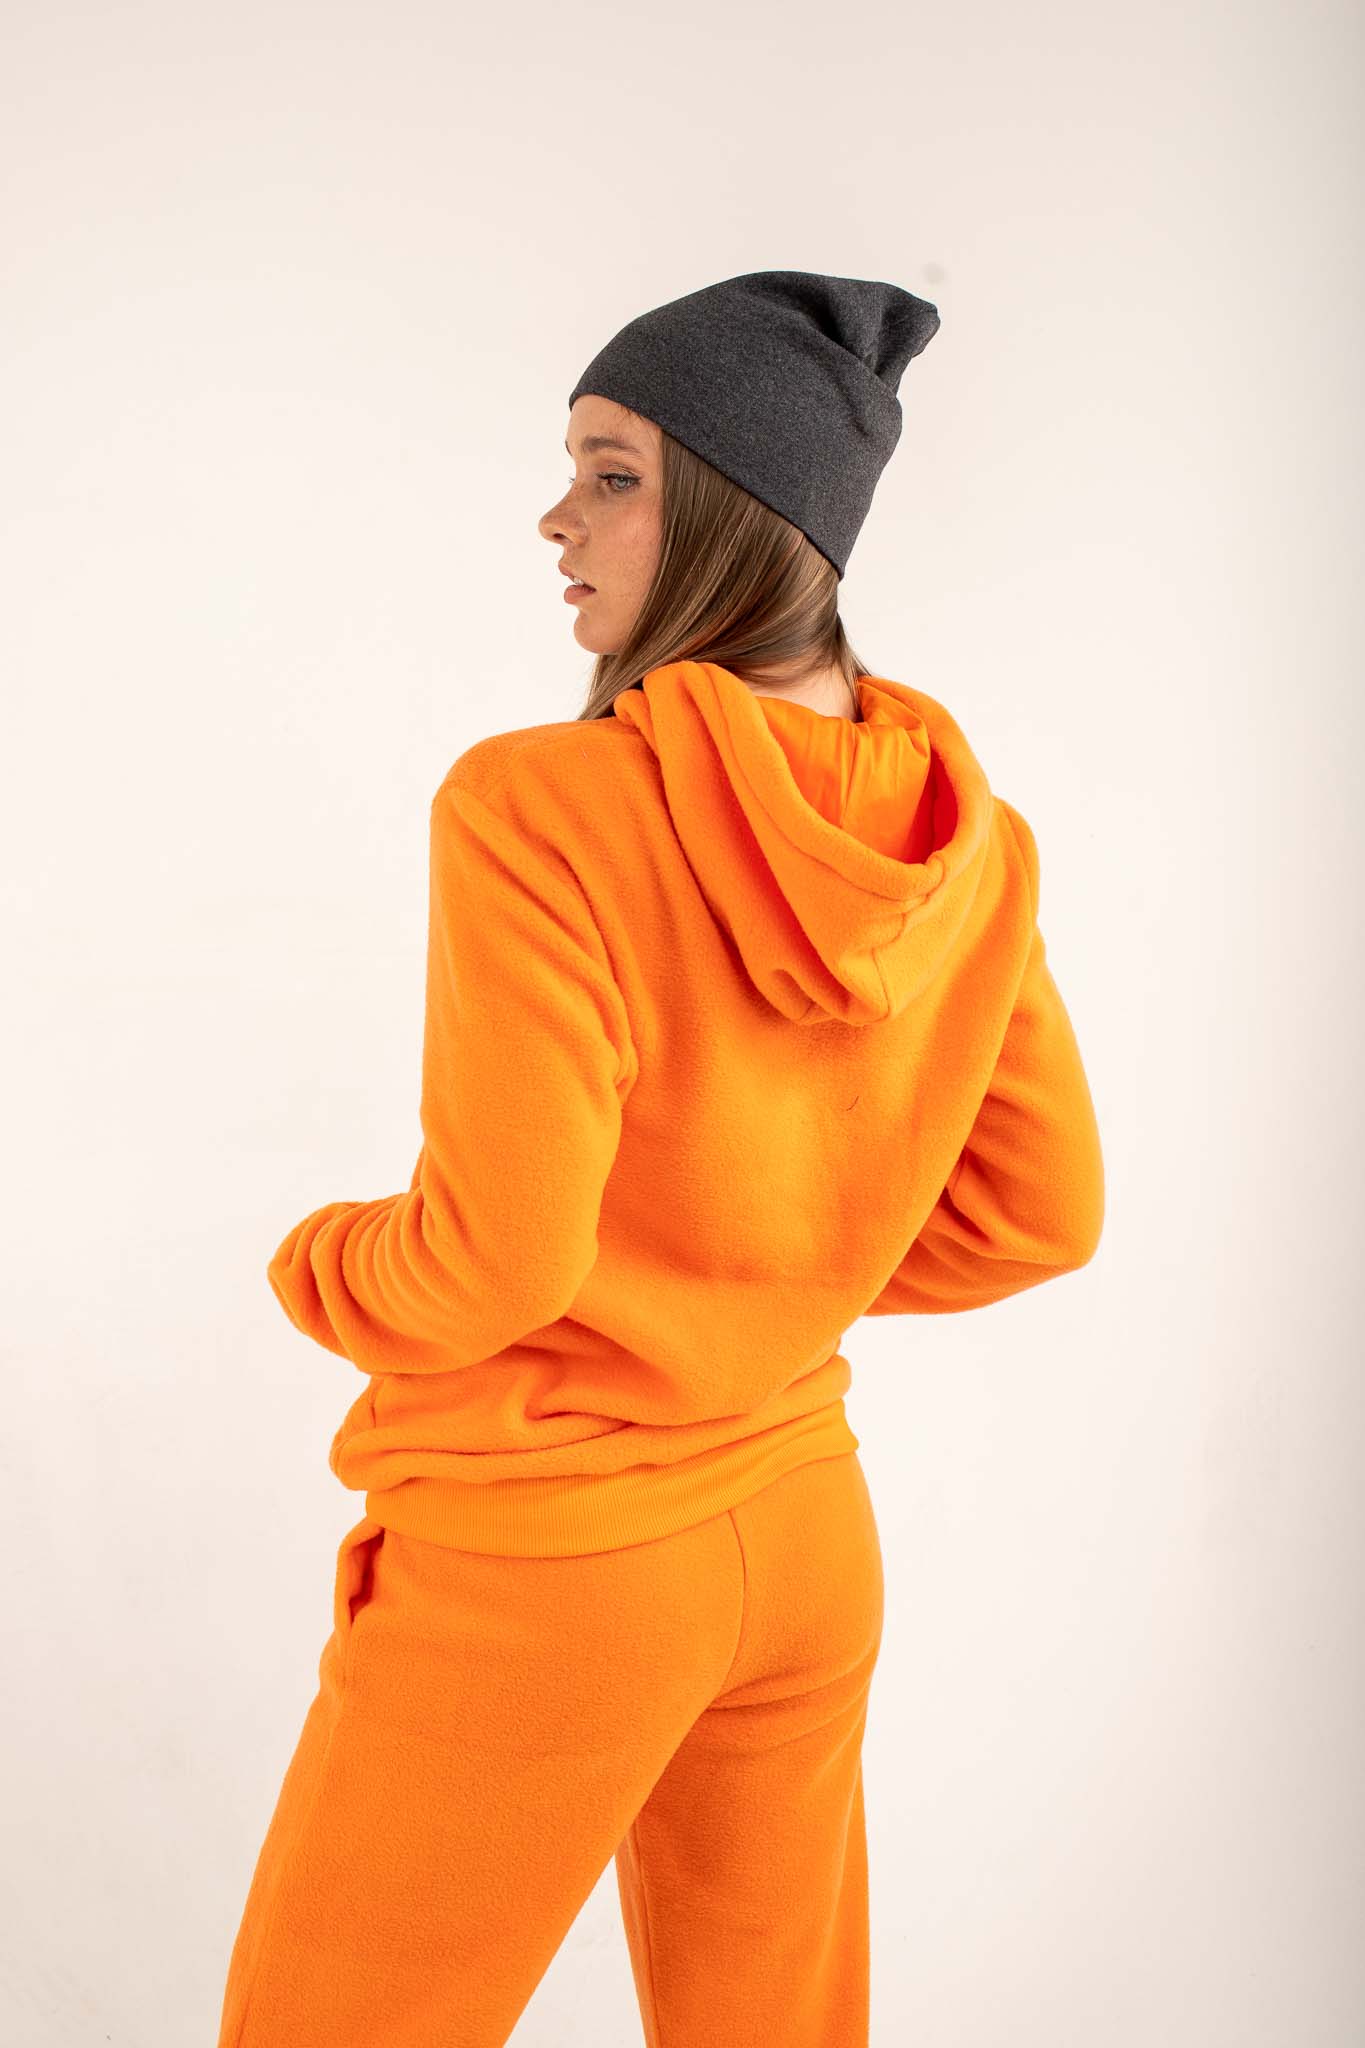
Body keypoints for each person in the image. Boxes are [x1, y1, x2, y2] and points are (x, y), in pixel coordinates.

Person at [216, 271, 1105, 2048]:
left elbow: (494, 1266)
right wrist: (772, 1267)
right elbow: (1038, 1218)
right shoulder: (964, 841)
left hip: (550, 1562)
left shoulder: (539, 805)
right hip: (803, 1533)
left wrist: (316, 1259)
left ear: (734, 507)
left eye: (611, 474)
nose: (556, 520)